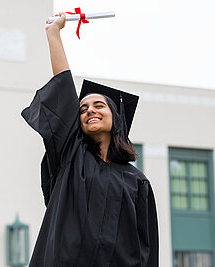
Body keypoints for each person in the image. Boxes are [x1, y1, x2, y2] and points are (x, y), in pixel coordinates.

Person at [21, 13, 159, 267]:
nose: (90, 111)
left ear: (116, 118)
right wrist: (54, 34)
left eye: (99, 106)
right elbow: (64, 88)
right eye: (83, 109)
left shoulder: (137, 182)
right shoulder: (72, 156)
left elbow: (146, 249)